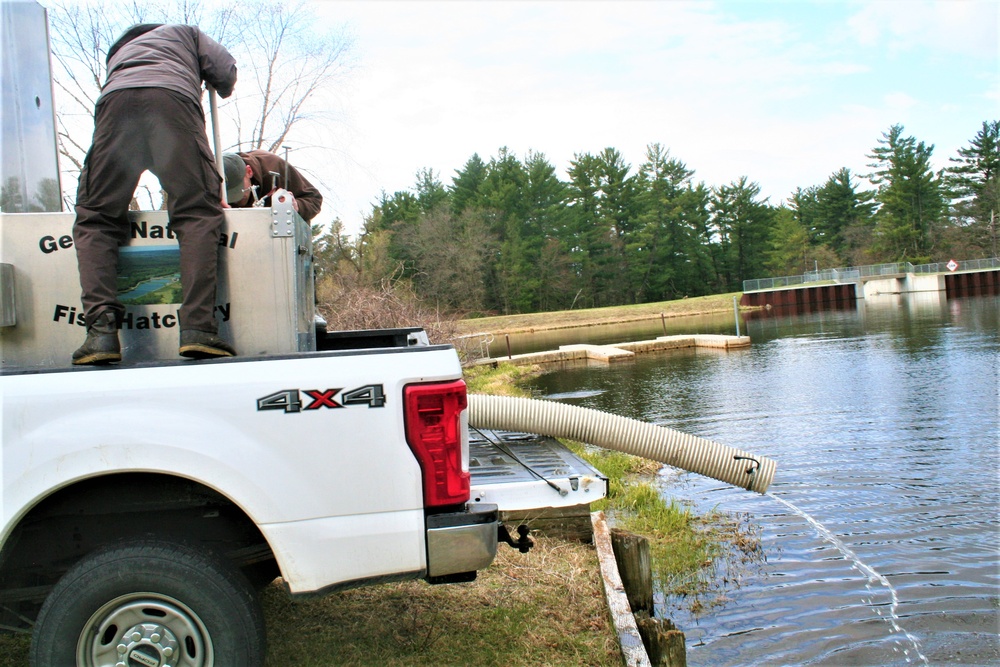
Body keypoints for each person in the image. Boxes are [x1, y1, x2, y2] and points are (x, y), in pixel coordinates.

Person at [71, 24, 238, 365]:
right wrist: (221, 84)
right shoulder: (187, 33)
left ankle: (101, 334)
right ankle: (197, 330)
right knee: (195, 214)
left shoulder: (119, 55)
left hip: (115, 104)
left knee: (97, 218)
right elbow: (225, 70)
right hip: (172, 101)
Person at [222, 150, 323, 221]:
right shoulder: (213, 178)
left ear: (249, 171)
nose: (236, 201)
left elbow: (315, 199)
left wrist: (297, 206)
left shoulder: (275, 166)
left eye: (238, 189)